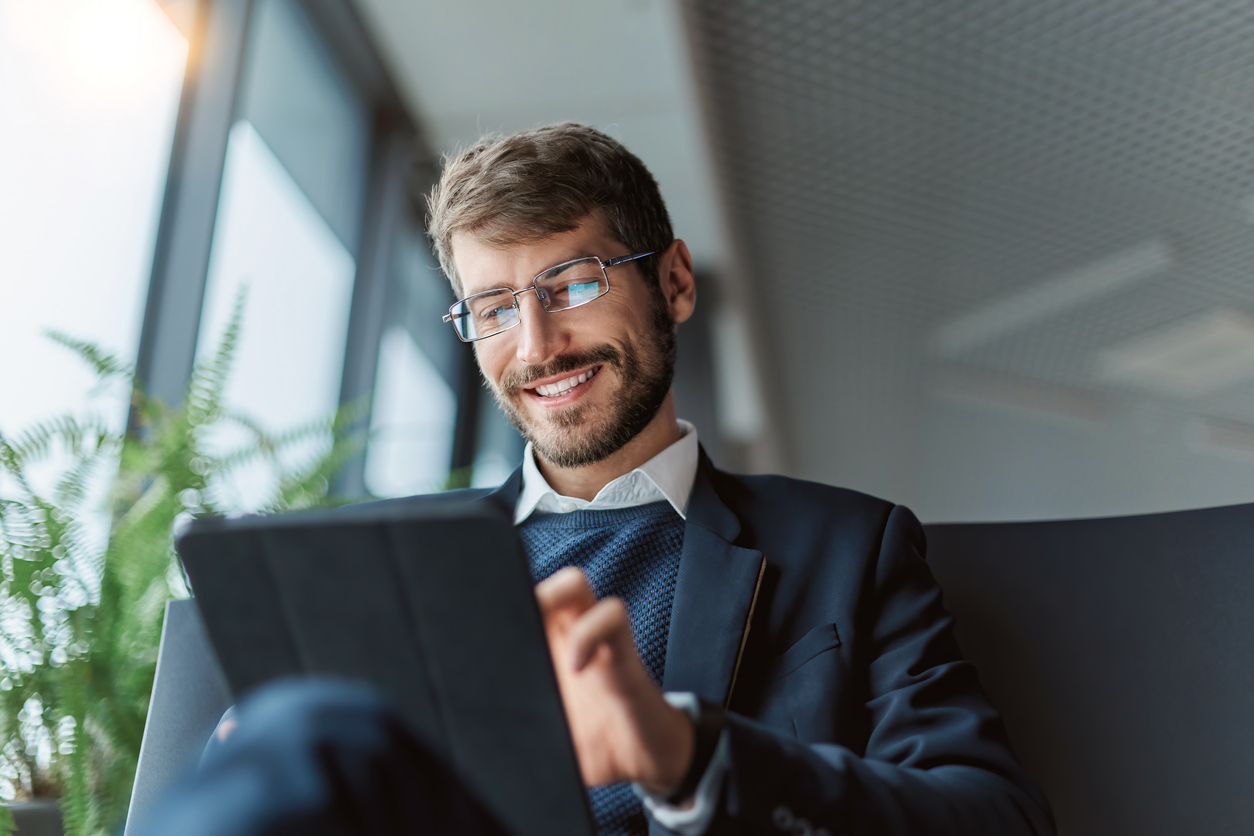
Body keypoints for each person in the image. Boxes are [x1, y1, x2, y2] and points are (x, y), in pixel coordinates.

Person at [141, 123, 1054, 836]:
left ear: (676, 283)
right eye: (494, 308)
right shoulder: (388, 565)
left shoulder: (848, 550)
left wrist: (686, 753)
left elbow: (995, 821)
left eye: (572, 284)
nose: (536, 347)